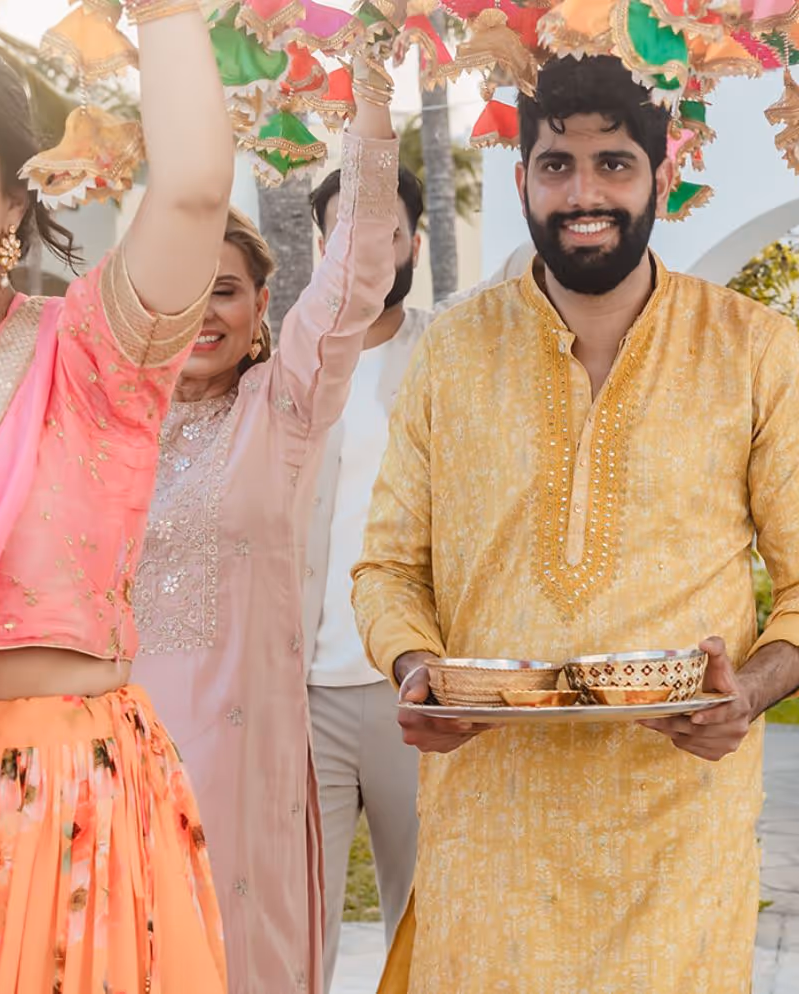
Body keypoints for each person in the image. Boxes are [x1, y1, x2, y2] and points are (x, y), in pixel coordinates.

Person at [352, 53, 799, 994]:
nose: (584, 194)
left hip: (675, 832)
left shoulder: (751, 348)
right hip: (491, 829)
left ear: (662, 175)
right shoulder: (454, 350)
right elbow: (387, 568)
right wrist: (418, 669)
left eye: (613, 164)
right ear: (522, 180)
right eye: (557, 165)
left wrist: (747, 692)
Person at [0, 4, 234, 992]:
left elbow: (191, 192)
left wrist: (165, 15)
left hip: (55, 820)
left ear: (16, 197)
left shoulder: (92, 360)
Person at [132, 69, 399, 994]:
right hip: (115, 748)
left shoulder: (279, 409)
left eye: (226, 290)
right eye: (180, 286)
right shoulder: (105, 422)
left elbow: (356, 273)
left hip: (237, 759)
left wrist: (372, 103)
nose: (201, 311)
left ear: (257, 311)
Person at [301, 160, 427, 993]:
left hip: (413, 690)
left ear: (414, 240)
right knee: (292, 924)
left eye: (386, 229)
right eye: (346, 231)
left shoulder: (451, 354)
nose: (368, 249)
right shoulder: (285, 365)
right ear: (324, 247)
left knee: (426, 924)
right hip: (301, 696)